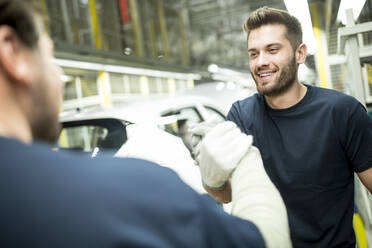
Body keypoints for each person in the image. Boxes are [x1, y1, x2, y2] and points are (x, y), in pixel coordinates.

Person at [0, 0, 292, 247]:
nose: (59, 79)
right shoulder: (132, 191)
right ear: (12, 51)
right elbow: (266, 240)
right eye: (51, 57)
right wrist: (246, 160)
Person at [191, 6, 372, 248]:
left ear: (300, 54)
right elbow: (228, 194)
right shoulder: (241, 115)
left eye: (272, 50)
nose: (261, 62)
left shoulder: (342, 111)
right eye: (253, 54)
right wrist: (211, 178)